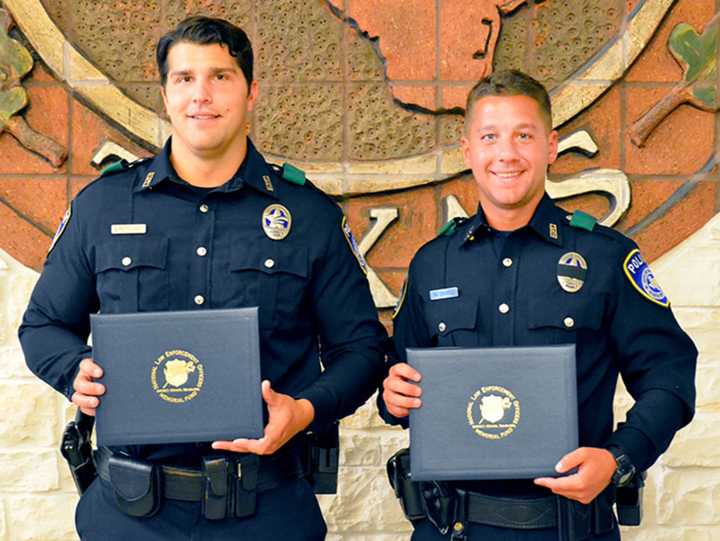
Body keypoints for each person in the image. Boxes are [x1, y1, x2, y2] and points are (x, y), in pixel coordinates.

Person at [19, 15, 386, 541]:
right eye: (185, 78)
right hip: (130, 515)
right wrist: (74, 370)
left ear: (251, 92)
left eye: (220, 76)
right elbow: (43, 326)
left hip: (268, 510)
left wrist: (305, 411)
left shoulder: (307, 216)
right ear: (165, 95)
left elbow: (363, 350)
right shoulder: (103, 206)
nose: (202, 95)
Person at [380, 70, 697, 541]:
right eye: (490, 137)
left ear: (550, 146)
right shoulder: (433, 264)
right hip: (452, 528)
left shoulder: (606, 257)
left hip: (567, 526)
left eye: (523, 136)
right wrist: (393, 396)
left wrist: (618, 458)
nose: (506, 153)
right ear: (468, 151)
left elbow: (670, 378)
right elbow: (400, 380)